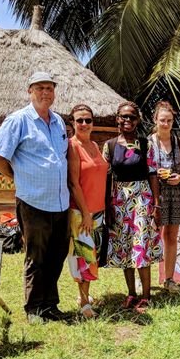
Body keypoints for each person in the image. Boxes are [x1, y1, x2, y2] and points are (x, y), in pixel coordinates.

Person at [0, 71, 69, 324]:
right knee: (37, 255)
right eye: (40, 88)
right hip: (33, 201)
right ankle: (34, 308)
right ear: (30, 91)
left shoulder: (58, 122)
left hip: (60, 202)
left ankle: (50, 305)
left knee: (57, 254)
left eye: (49, 88)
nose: (46, 92)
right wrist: (17, 176)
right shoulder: (18, 121)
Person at [103, 101, 163, 314]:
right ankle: (131, 293)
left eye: (132, 117)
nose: (127, 121)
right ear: (117, 118)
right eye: (123, 117)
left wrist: (156, 204)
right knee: (124, 246)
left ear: (138, 121)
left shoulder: (146, 144)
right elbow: (107, 176)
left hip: (142, 198)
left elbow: (153, 173)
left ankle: (146, 296)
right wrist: (107, 205)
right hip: (118, 200)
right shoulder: (109, 146)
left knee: (141, 245)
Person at [66, 104, 107, 319]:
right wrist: (86, 212)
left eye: (88, 120)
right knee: (82, 257)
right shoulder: (72, 146)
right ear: (72, 122)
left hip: (97, 211)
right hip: (82, 213)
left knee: (91, 256)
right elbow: (73, 183)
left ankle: (86, 296)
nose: (84, 124)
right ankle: (83, 303)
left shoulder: (94, 145)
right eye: (79, 120)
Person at [149, 101, 180, 292]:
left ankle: (169, 278)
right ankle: (144, 276)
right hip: (157, 194)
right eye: (162, 120)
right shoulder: (149, 142)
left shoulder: (178, 141)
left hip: (176, 193)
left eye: (169, 120)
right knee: (151, 235)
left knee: (172, 236)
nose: (166, 124)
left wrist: (179, 178)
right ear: (155, 120)